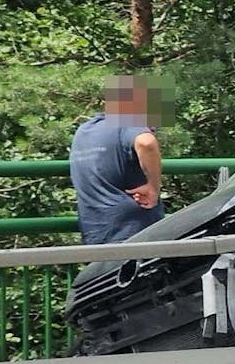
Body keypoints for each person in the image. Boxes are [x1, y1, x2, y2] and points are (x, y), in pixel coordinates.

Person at [70, 74, 164, 245]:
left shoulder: (84, 130)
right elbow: (146, 143)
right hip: (134, 230)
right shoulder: (128, 123)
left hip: (95, 228)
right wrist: (154, 187)